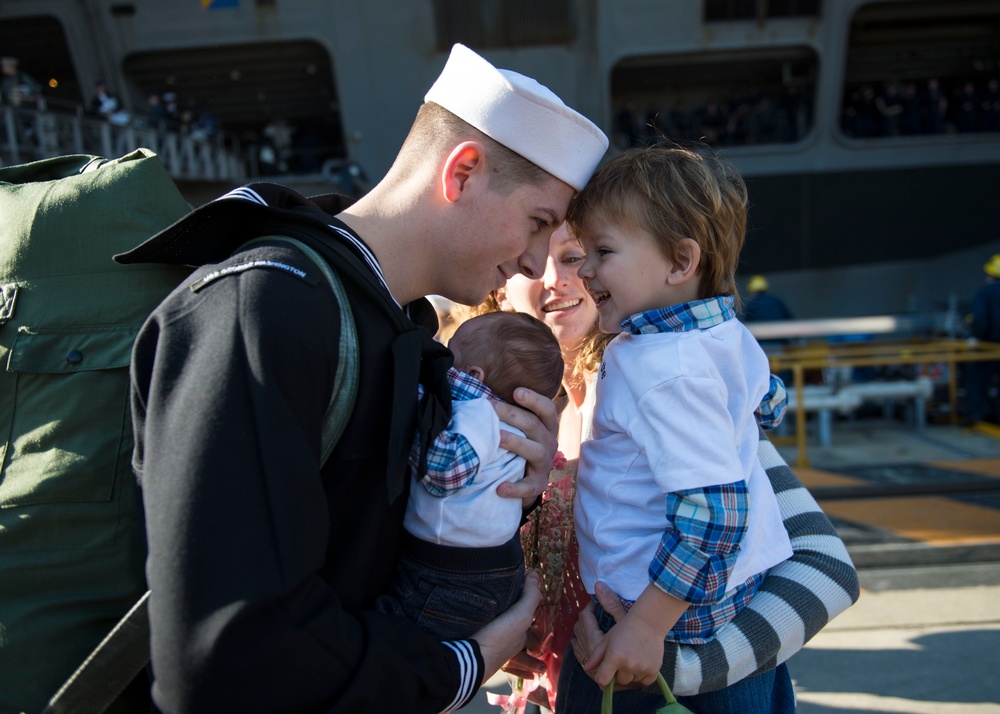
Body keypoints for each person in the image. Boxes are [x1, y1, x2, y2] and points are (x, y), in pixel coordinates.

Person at [118, 43, 609, 713]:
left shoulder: (391, 326)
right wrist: (456, 667)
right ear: (462, 170)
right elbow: (226, 656)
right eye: (538, 222)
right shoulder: (265, 309)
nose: (532, 262)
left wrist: (500, 488)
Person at [497, 224, 859, 712]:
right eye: (531, 258)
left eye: (576, 255)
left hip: (684, 693)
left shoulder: (677, 390)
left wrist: (675, 668)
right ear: (501, 286)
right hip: (574, 686)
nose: (556, 278)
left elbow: (826, 570)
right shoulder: (525, 414)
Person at [558, 144, 795, 712]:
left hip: (655, 620)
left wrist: (645, 627)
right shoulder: (722, 331)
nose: (585, 270)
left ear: (680, 262)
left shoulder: (660, 366)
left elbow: (713, 513)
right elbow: (769, 401)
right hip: (733, 606)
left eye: (603, 251)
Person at [379, 311, 564, 640]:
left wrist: (409, 399)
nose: (441, 358)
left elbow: (443, 472)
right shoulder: (507, 425)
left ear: (472, 374)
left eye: (450, 354)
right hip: (489, 568)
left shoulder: (479, 415)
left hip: (449, 575)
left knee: (396, 636)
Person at [967, 253, 1000, 424]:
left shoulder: (985, 292)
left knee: (978, 380)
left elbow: (980, 320)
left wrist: (975, 337)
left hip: (989, 347)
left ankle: (977, 416)